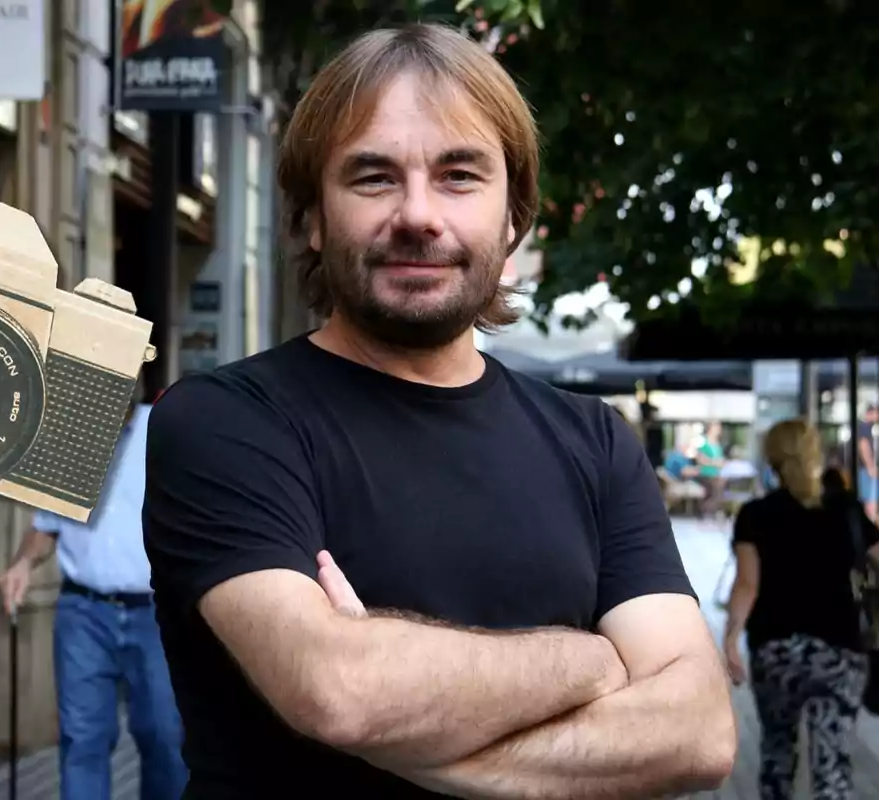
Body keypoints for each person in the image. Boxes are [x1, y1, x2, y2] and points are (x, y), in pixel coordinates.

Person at [142, 23, 736, 800]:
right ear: (313, 219)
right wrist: (594, 662)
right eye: (373, 177)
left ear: (513, 218)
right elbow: (340, 692)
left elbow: (700, 731)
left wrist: (411, 726)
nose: (418, 214)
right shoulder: (223, 422)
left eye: (459, 176)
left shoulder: (594, 441)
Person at [0, 395, 186, 800]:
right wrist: (22, 564)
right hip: (83, 611)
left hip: (157, 614)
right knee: (82, 739)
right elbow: (46, 525)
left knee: (165, 736)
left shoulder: (169, 427)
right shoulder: (70, 435)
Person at [723, 419, 879, 800]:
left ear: (772, 458)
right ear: (815, 453)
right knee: (832, 763)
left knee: (778, 752)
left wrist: (730, 640)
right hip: (839, 651)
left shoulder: (755, 515)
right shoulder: (845, 509)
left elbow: (747, 585)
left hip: (776, 652)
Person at [858, 403, 878, 522]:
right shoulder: (865, 427)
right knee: (870, 501)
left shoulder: (870, 428)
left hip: (867, 469)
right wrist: (870, 467)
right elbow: (863, 446)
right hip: (866, 470)